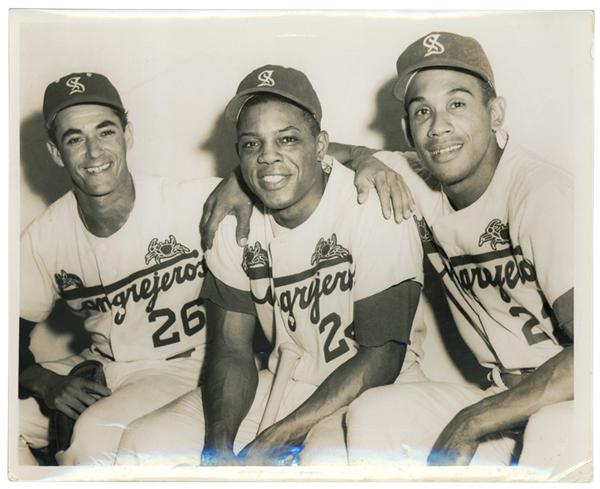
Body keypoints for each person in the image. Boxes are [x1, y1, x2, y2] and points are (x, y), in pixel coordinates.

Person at [199, 33, 575, 475]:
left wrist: (474, 421)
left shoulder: (542, 193)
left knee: (553, 431)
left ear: (495, 113)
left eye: (457, 104)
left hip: (572, 397)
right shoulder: (410, 178)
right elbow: (305, 158)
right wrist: (239, 183)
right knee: (373, 415)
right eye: (422, 111)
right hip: (499, 394)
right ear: (408, 128)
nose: (438, 127)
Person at [115, 64, 425, 466]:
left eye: (288, 139)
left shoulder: (371, 203)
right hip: (285, 384)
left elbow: (381, 357)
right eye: (251, 145)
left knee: (324, 463)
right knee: (149, 441)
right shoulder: (235, 219)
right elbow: (231, 349)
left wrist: (274, 439)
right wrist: (218, 446)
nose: (268, 158)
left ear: (321, 145)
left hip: (376, 395)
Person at [19, 72, 220, 465]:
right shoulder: (46, 235)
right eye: (75, 139)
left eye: (105, 132)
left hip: (184, 365)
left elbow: (287, 172)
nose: (94, 153)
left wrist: (359, 157)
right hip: (102, 363)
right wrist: (44, 381)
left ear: (127, 135)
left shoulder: (186, 201)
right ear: (56, 152)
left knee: (92, 440)